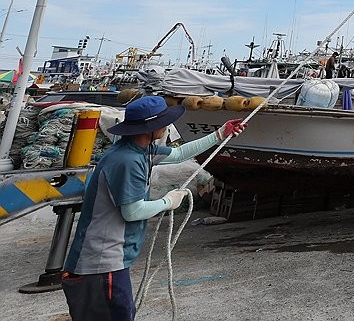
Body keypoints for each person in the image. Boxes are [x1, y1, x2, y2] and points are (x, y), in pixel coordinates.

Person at [62, 95, 245, 320]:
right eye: (164, 122)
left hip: (110, 260)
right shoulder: (127, 161)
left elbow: (178, 154)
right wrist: (168, 201)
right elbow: (132, 211)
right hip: (100, 263)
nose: (168, 126)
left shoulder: (141, 149)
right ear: (151, 127)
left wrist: (220, 134)